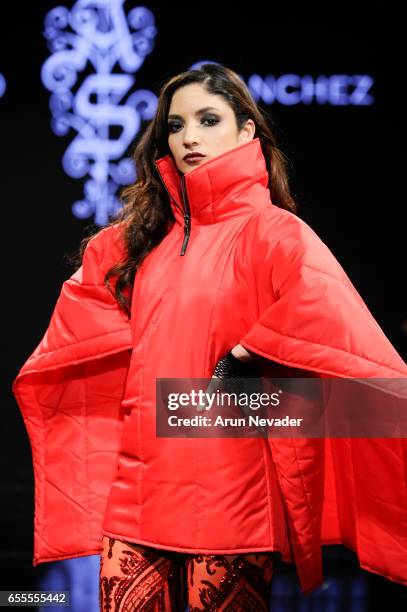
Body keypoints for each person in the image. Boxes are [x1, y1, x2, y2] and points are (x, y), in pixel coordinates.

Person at [12, 63, 407, 610]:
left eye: (208, 119)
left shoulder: (274, 233)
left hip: (232, 499)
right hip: (137, 497)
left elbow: (340, 334)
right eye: (175, 126)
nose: (189, 137)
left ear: (247, 132)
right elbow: (87, 345)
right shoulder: (136, 244)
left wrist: (250, 353)